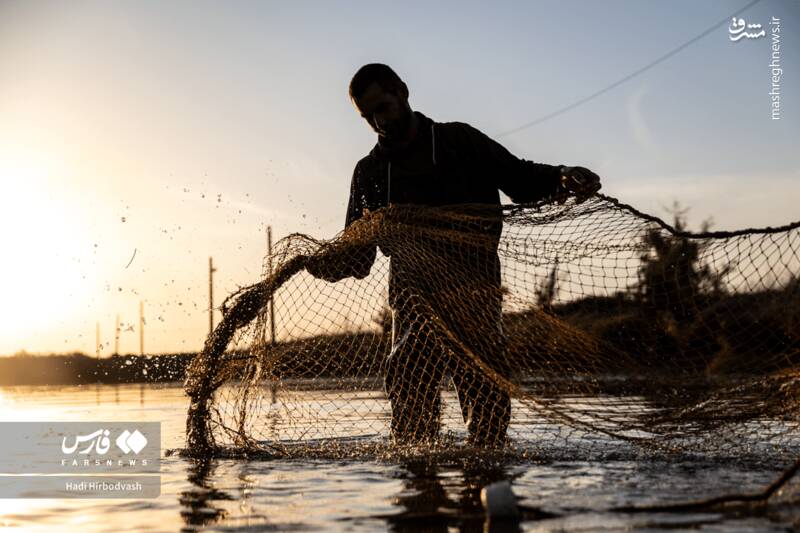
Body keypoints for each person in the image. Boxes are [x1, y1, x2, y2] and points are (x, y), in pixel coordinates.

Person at [308, 63, 600, 447]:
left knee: (487, 410)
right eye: (368, 116)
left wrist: (562, 174)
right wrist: (319, 263)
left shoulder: (460, 142)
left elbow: (520, 178)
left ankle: (486, 476)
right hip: (412, 301)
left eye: (384, 107)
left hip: (475, 292)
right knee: (411, 414)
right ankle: (420, 492)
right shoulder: (370, 173)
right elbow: (358, 258)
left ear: (403, 91)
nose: (379, 122)